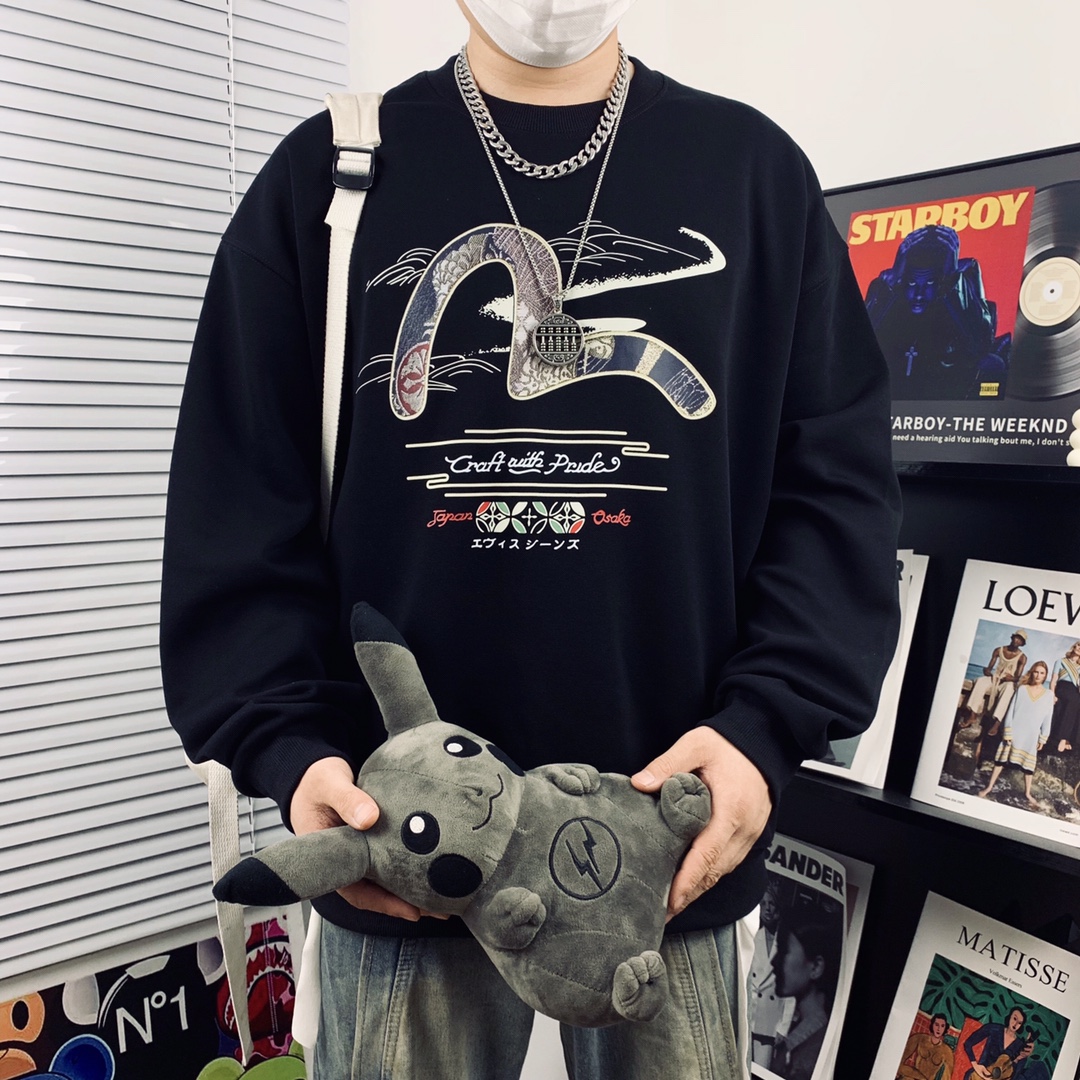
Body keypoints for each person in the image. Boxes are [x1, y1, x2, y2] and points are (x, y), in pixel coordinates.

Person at [159, 0, 902, 1076]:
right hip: (401, 839)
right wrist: (292, 747)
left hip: (670, 840)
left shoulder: (753, 175)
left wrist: (765, 728)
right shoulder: (327, 176)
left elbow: (834, 488)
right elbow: (236, 498)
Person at [863, 224, 1010, 400]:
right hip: (889, 402)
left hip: (946, 402)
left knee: (993, 363)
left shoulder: (958, 292)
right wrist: (893, 281)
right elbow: (858, 347)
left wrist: (951, 278)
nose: (919, 294)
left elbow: (980, 345)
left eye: (930, 283)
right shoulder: (888, 291)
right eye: (912, 283)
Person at [768, 916, 842, 1080]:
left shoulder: (810, 1054)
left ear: (815, 967)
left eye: (784, 950)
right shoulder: (801, 1029)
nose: (773, 961)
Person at [978, 661, 1053, 809]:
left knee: (1028, 768)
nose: (1038, 675)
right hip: (1015, 732)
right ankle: (989, 787)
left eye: (1042, 673)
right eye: (1036, 672)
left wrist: (1043, 738)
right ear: (1032, 673)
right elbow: (1010, 711)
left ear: (1045, 676)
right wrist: (1007, 731)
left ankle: (1027, 793)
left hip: (1031, 735)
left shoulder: (1049, 695)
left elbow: (1047, 717)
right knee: (1000, 761)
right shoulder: (1022, 689)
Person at [748, 883, 791, 1067]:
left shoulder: (787, 943)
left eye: (771, 903)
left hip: (770, 1024)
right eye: (763, 904)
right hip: (749, 1016)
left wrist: (783, 1027)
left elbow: (790, 990)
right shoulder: (752, 936)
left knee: (760, 1071)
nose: (767, 909)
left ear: (779, 906)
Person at [961, 630, 1028, 736]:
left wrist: (1010, 678)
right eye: (1016, 637)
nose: (1017, 641)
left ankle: (997, 723)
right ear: (1012, 637)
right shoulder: (999, 650)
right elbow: (989, 668)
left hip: (1007, 681)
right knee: (981, 681)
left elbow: (1017, 678)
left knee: (1009, 689)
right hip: (995, 678)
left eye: (1020, 640)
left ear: (1022, 643)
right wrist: (987, 671)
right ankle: (973, 715)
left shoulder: (1022, 657)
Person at [963, 1007, 1035, 1080]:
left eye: (1019, 1023)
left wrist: (1019, 1059)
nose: (1015, 1024)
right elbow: (968, 1043)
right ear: (1009, 1017)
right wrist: (976, 1066)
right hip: (981, 1075)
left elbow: (1015, 1075)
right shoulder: (994, 1029)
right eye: (1014, 1019)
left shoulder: (1019, 1045)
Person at [896, 1012, 954, 1080]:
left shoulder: (947, 1051)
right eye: (936, 1024)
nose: (939, 1029)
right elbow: (898, 1064)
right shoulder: (919, 1038)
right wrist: (920, 1077)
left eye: (942, 1026)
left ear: (945, 1028)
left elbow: (947, 1077)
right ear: (932, 1025)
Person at [1049, 640, 1080, 754]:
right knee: (1072, 701)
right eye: (1078, 645)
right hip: (1061, 688)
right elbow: (1053, 680)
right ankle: (1062, 738)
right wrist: (1052, 694)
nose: (1079, 648)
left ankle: (1066, 739)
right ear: (1074, 646)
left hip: (1074, 690)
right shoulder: (1061, 661)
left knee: (1076, 702)